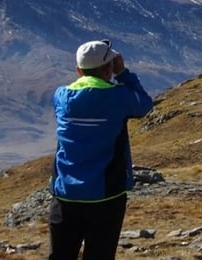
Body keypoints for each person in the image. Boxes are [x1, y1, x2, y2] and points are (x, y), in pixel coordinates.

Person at [48, 39, 154, 260]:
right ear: (109, 68)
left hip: (66, 194)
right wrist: (123, 73)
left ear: (78, 70)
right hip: (106, 196)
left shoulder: (61, 96)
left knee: (60, 255)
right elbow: (144, 104)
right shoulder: (119, 97)